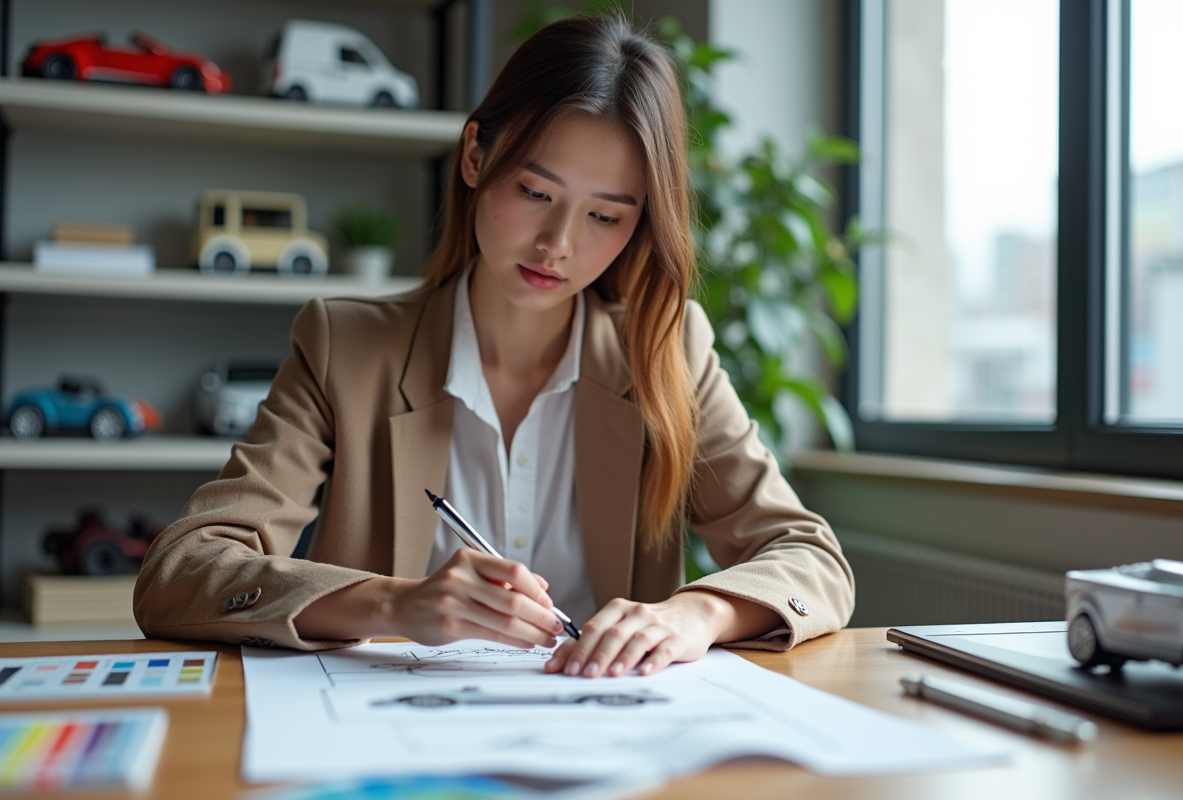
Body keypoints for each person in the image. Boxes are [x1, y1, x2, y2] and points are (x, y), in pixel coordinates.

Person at [134, 14, 854, 679]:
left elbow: (811, 560)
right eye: (537, 193)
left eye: (606, 215)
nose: (558, 245)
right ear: (476, 156)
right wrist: (393, 604)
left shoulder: (666, 351)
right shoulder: (344, 347)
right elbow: (182, 572)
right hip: (388, 740)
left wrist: (696, 613)